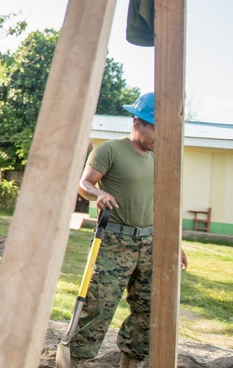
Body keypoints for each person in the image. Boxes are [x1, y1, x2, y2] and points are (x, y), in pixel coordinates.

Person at [72, 92, 188, 368]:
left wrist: (175, 243)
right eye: (158, 128)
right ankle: (75, 360)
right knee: (99, 306)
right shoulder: (109, 150)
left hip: (150, 244)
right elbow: (84, 184)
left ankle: (130, 362)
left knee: (149, 308)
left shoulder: (160, 158)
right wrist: (97, 194)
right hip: (114, 241)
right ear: (138, 123)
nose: (161, 136)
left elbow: (162, 204)